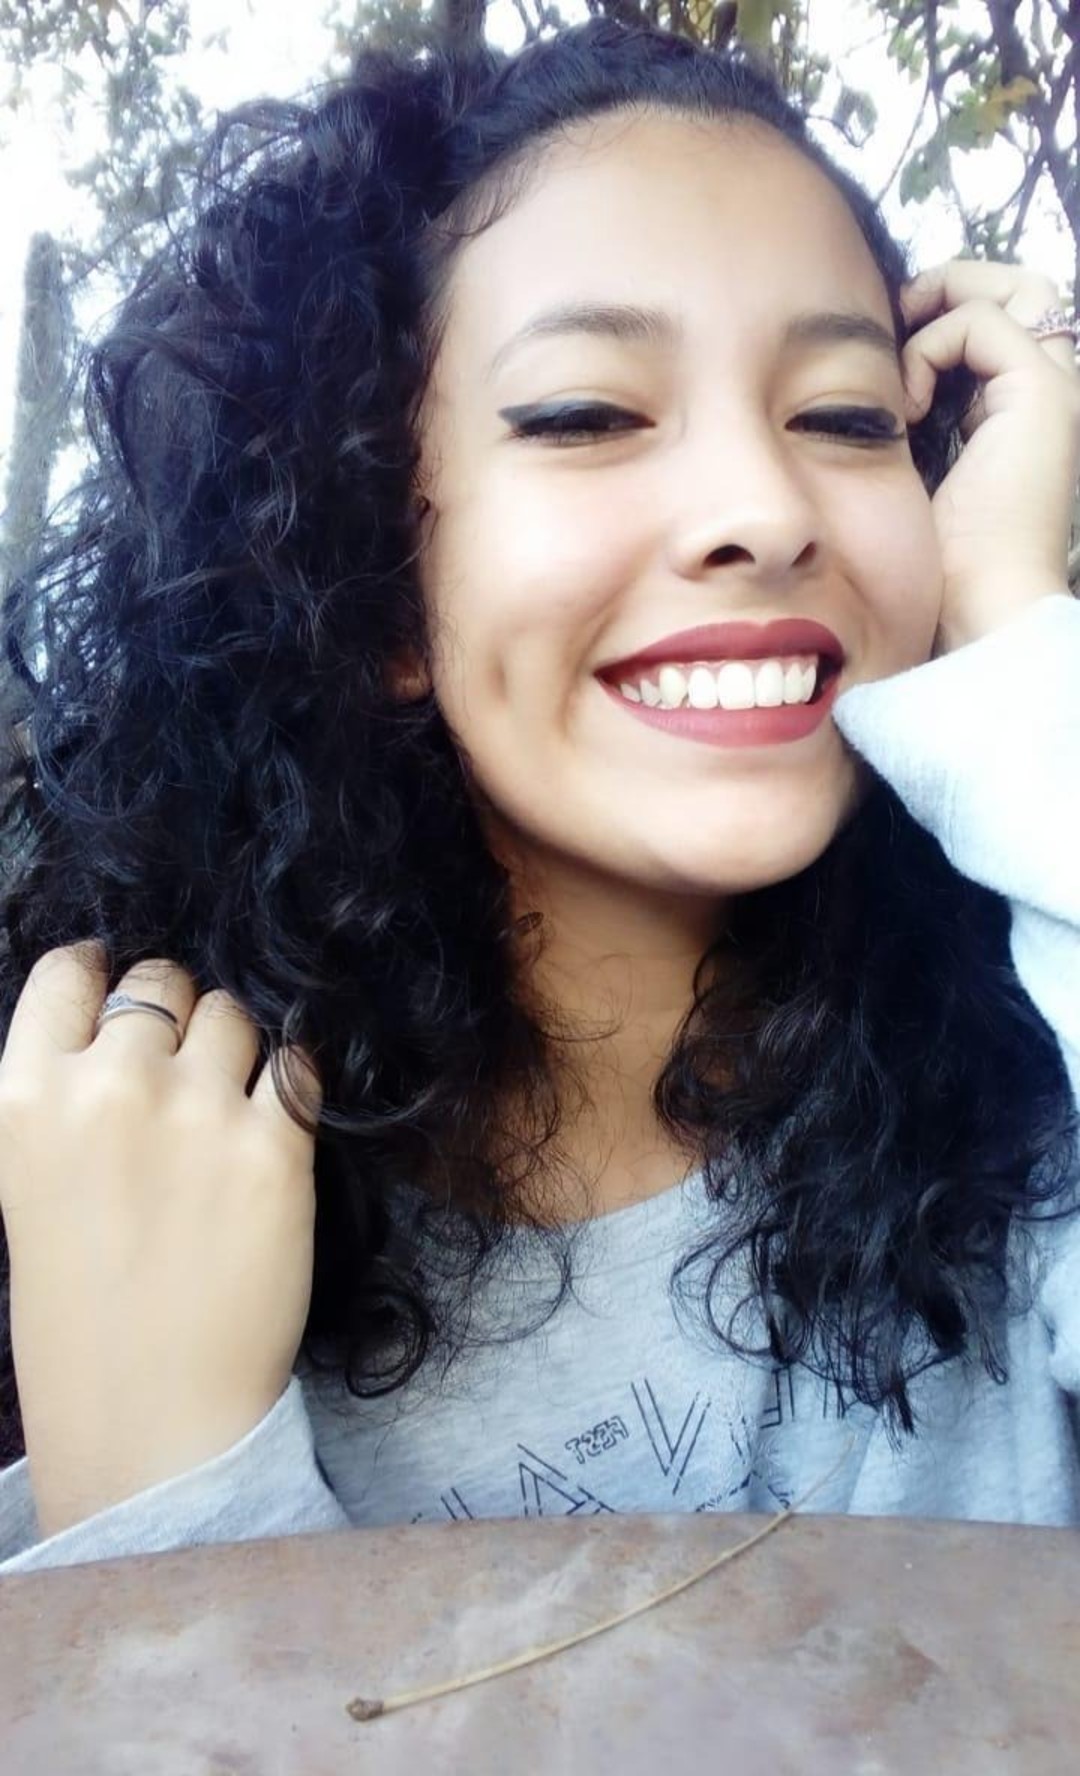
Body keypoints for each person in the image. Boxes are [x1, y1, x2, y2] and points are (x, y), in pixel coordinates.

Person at [0, 17, 1078, 1577]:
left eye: (848, 419)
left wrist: (1013, 623)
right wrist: (156, 1483)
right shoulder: (125, 1206)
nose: (765, 508)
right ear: (372, 583)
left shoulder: (1038, 1107)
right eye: (588, 414)